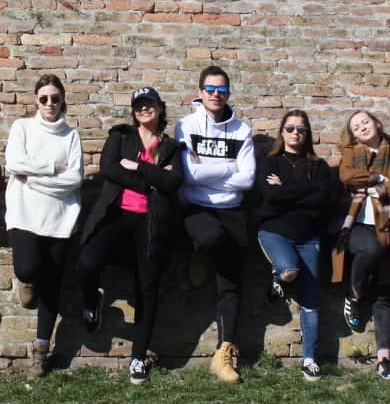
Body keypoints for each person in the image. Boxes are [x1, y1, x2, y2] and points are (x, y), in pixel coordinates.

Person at [75, 87, 183, 385]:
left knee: (147, 288)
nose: (144, 109)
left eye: (149, 104)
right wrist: (150, 180)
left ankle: (138, 358)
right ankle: (91, 301)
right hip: (116, 215)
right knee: (86, 261)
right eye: (138, 106)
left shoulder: (171, 147)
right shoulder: (121, 136)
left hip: (151, 222)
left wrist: (137, 166)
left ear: (160, 108)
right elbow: (109, 169)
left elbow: (173, 181)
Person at [174, 65, 256, 384]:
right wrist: (228, 168)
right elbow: (189, 174)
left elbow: (248, 179)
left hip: (232, 209)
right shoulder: (186, 126)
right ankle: (200, 253)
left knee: (231, 282)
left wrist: (208, 172)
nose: (216, 95)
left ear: (228, 93)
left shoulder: (241, 131)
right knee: (211, 238)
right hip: (196, 208)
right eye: (210, 89)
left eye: (222, 90)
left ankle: (224, 353)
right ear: (200, 92)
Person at [4, 75, 84, 378]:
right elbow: (14, 163)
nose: (50, 103)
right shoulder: (22, 128)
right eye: (44, 98)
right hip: (24, 213)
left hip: (60, 218)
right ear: (36, 100)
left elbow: (74, 180)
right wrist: (52, 168)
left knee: (52, 285)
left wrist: (33, 180)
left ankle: (41, 350)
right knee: (26, 268)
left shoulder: (71, 136)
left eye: (55, 98)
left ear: (63, 100)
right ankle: (27, 282)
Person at [252, 109, 337, 382]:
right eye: (290, 128)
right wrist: (304, 189)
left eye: (301, 129)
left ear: (307, 134)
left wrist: (286, 188)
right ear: (282, 132)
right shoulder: (269, 162)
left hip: (309, 238)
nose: (295, 133)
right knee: (289, 269)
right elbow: (269, 196)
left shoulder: (318, 166)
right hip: (274, 232)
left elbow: (321, 200)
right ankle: (278, 277)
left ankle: (309, 359)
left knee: (311, 300)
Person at [333, 109, 390, 381]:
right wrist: (380, 180)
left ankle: (384, 360)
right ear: (354, 135)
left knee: (385, 294)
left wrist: (376, 187)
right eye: (356, 127)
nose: (362, 128)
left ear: (377, 123)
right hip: (356, 224)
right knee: (370, 249)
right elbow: (347, 177)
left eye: (365, 122)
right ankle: (354, 295)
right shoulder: (350, 154)